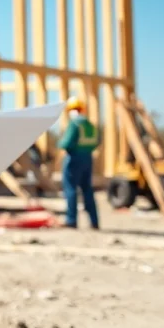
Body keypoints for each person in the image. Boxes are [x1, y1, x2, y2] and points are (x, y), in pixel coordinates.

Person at [58, 95, 100, 229]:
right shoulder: (90, 125)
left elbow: (66, 143)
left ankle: (71, 220)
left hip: (73, 158)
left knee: (71, 189)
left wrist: (60, 143)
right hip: (87, 158)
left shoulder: (74, 124)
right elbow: (97, 142)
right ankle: (94, 221)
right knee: (87, 189)